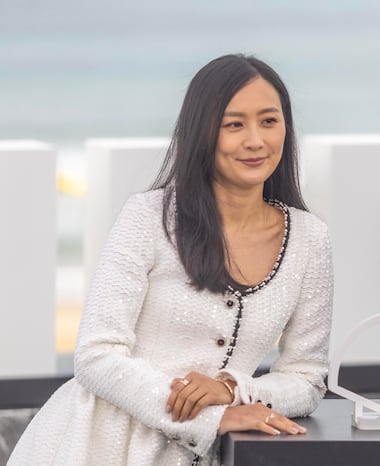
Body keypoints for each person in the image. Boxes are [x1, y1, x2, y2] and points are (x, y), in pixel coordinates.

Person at [9, 54, 333, 465]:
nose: (255, 140)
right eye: (234, 125)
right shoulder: (147, 217)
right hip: (97, 447)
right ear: (201, 132)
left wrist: (233, 390)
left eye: (269, 121)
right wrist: (213, 418)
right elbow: (96, 355)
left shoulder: (310, 239)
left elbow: (307, 379)